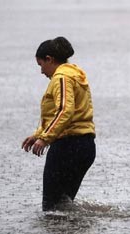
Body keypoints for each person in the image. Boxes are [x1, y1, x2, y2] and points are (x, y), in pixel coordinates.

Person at [21, 37, 96, 211]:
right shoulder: (76, 74)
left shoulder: (61, 78)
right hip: (85, 147)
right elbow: (66, 113)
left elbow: (64, 111)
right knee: (63, 206)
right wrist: (38, 134)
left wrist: (45, 138)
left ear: (50, 59)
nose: (41, 71)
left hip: (67, 147)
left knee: (50, 209)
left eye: (41, 65)